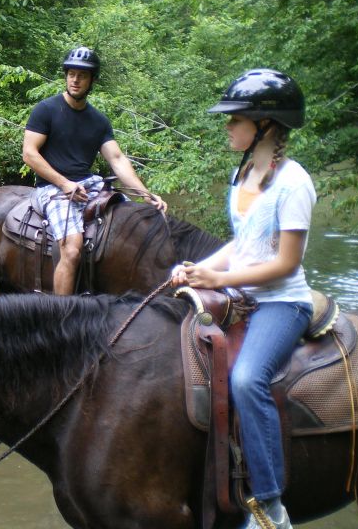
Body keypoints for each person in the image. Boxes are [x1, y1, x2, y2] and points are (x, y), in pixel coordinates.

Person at [170, 68, 316, 529]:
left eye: (236, 119)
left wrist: (219, 279)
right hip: (241, 291)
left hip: (281, 302)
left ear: (266, 125)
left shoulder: (294, 182)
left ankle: (271, 506)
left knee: (248, 378)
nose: (228, 127)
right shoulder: (246, 173)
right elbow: (245, 243)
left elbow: (286, 263)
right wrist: (201, 269)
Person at [22, 46, 167, 295]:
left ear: (92, 81)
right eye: (71, 74)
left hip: (90, 185)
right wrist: (65, 183)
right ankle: (61, 314)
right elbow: (29, 154)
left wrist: (145, 195)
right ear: (66, 76)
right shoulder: (46, 110)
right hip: (53, 188)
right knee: (72, 248)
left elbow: (118, 159)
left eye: (82, 75)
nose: (75, 80)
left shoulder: (99, 120)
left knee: (131, 223)